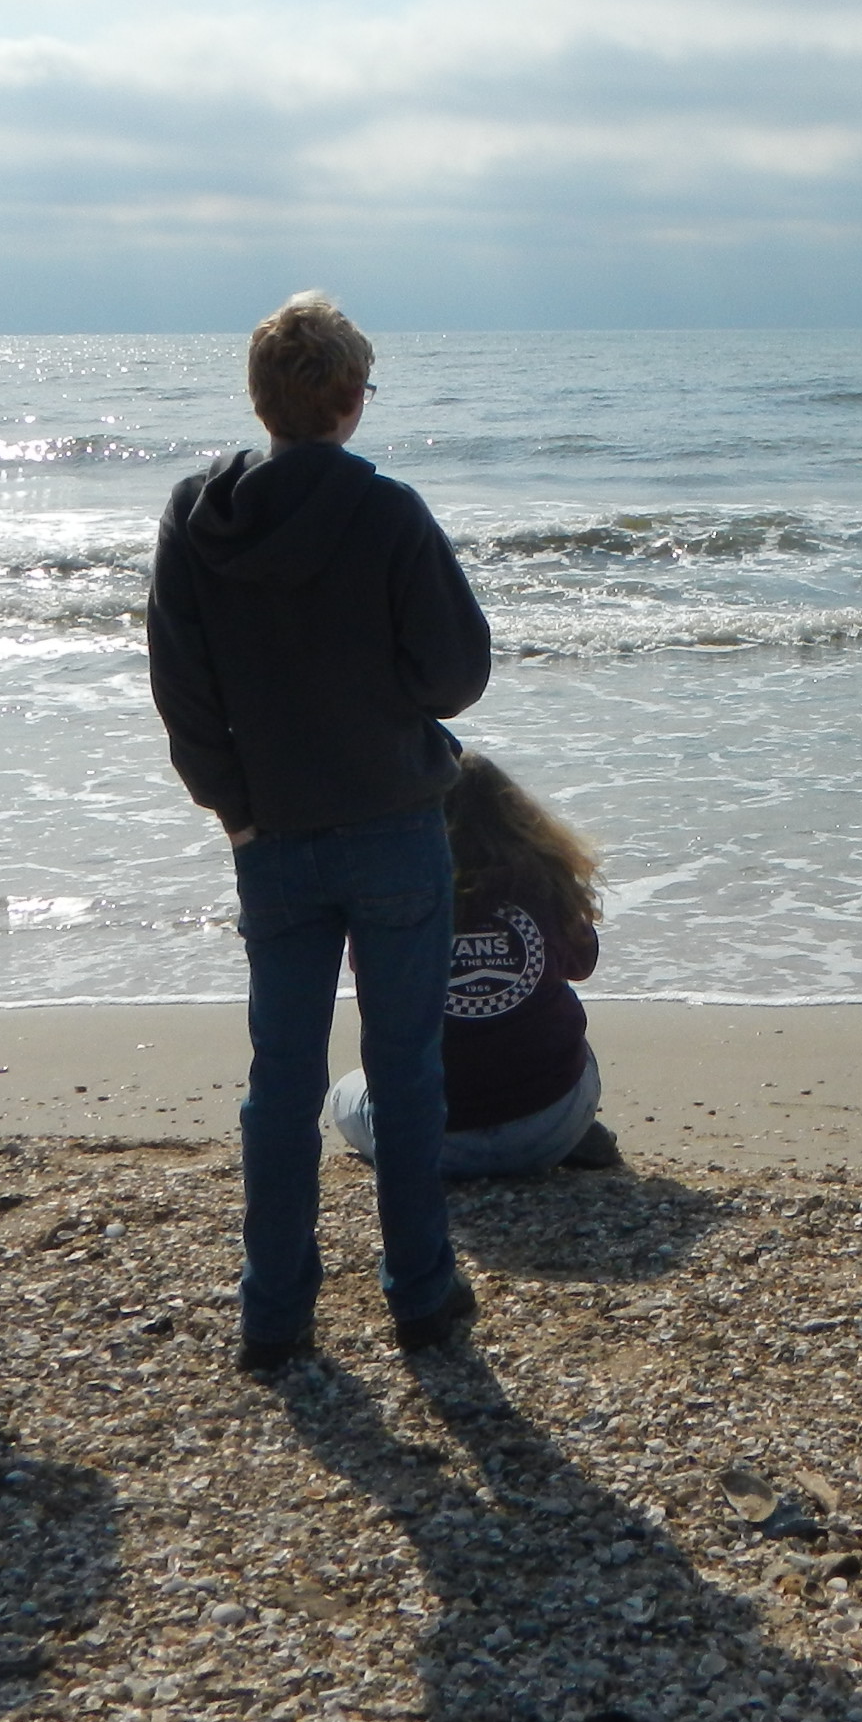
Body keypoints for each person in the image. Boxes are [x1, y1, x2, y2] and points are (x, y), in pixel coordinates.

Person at [148, 292, 496, 1374]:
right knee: (405, 1068)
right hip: (390, 818)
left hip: (276, 833)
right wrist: (380, 687)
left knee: (283, 1076)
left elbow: (183, 689)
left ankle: (275, 1309)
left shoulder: (201, 516)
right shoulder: (386, 513)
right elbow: (458, 672)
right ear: (348, 400)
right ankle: (421, 1294)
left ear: (264, 400)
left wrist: (234, 806)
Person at [327, 751, 623, 1178]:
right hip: (551, 1123)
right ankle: (564, 1137)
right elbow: (582, 964)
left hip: (432, 1142)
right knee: (566, 1035)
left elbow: (372, 977)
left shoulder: (390, 891)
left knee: (346, 1093)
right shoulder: (540, 881)